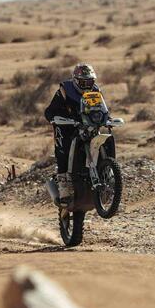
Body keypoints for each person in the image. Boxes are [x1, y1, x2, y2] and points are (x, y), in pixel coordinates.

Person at [43, 63, 100, 206]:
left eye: (90, 82)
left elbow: (101, 107)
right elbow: (49, 111)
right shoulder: (65, 90)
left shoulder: (96, 91)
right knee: (64, 148)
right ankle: (63, 188)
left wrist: (107, 117)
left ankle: (106, 172)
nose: (87, 85)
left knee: (101, 140)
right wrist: (55, 118)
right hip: (66, 125)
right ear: (75, 80)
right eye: (83, 82)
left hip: (87, 124)